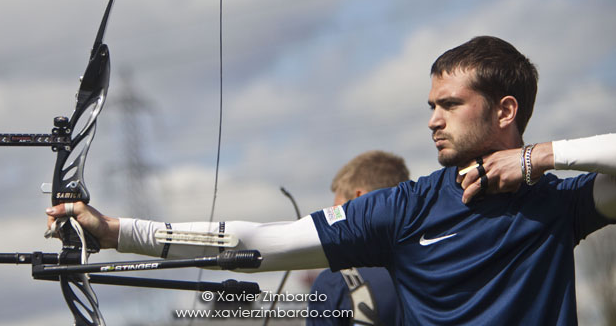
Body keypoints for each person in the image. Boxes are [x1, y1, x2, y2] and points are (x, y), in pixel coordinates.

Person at [47, 36, 616, 325]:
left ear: (505, 110)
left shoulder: (559, 202)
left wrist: (539, 158)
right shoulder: (405, 209)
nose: (432, 120)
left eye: (449, 105)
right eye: (431, 106)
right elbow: (259, 243)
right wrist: (117, 232)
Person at [307, 150, 408, 326]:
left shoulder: (336, 282)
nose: (333, 224)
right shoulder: (437, 263)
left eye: (336, 211)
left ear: (360, 201)